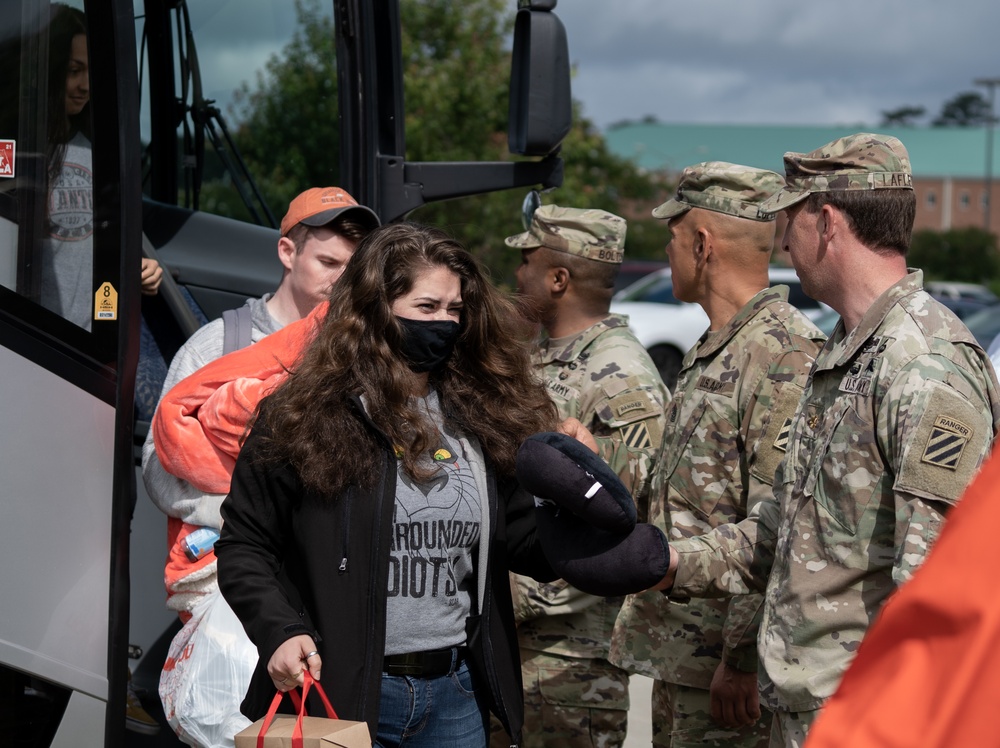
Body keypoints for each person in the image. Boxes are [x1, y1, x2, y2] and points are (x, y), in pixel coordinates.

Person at [639, 133, 1000, 747]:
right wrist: (669, 562)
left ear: (826, 220)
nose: (781, 241)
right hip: (805, 710)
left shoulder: (923, 363)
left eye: (789, 220)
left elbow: (945, 588)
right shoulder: (845, 351)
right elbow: (785, 528)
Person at [214, 222, 561, 748]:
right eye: (427, 307)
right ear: (377, 309)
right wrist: (279, 630)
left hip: (454, 695)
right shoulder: (302, 417)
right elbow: (245, 545)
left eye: (456, 309)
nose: (445, 323)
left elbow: (526, 543)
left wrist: (578, 504)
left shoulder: (484, 417)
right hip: (342, 696)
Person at [607, 163, 825, 748]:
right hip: (680, 653)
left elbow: (776, 527)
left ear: (701, 244)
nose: (667, 252)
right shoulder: (715, 346)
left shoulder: (783, 354)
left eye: (671, 237)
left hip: (722, 674)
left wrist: (742, 656)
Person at [142, 185, 378, 614]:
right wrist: (231, 515)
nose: (342, 280)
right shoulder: (219, 345)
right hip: (232, 589)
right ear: (287, 252)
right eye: (328, 262)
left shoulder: (369, 354)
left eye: (353, 267)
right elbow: (158, 459)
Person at [496, 205, 668, 747]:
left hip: (571, 657)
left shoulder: (621, 378)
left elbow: (628, 514)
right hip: (519, 640)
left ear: (558, 278)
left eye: (526, 260)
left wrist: (523, 595)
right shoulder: (542, 358)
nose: (517, 274)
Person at [39, 4, 162, 331]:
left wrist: (140, 268)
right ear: (48, 69)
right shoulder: (21, 152)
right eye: (72, 70)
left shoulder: (97, 152)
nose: (86, 85)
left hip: (90, 335)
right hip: (32, 334)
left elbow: (101, 239)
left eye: (91, 71)